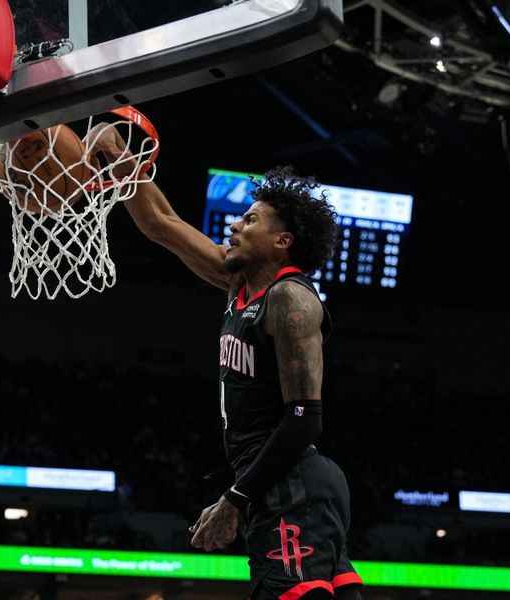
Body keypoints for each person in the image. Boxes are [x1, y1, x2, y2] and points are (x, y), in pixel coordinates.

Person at [91, 130, 363, 599]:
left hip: (292, 482)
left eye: (250, 219)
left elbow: (305, 418)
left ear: (283, 240)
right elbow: (160, 222)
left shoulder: (290, 299)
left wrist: (235, 498)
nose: (235, 225)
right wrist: (121, 159)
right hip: (280, 485)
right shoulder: (238, 285)